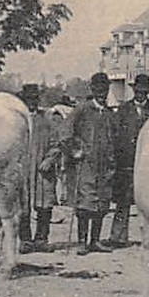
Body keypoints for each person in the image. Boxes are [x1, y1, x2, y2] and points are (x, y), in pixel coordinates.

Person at [61, 73, 117, 254]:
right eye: (98, 89)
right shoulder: (82, 109)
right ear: (92, 89)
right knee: (85, 203)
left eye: (104, 90)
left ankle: (95, 240)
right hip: (86, 164)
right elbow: (65, 132)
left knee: (102, 202)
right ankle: (82, 241)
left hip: (105, 165)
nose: (101, 93)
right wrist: (74, 151)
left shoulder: (109, 113)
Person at [109, 74, 149, 248]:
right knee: (123, 201)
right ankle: (118, 237)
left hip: (148, 162)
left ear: (148, 92)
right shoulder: (124, 109)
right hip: (126, 161)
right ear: (133, 90)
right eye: (138, 91)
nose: (141, 94)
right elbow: (115, 133)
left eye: (144, 92)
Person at [17, 84, 58, 253]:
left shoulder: (46, 120)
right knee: (22, 203)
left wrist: (49, 159)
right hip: (22, 168)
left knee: (44, 204)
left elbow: (56, 144)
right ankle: (25, 239)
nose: (31, 102)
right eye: (28, 99)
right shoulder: (18, 120)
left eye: (34, 99)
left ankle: (41, 238)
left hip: (43, 170)